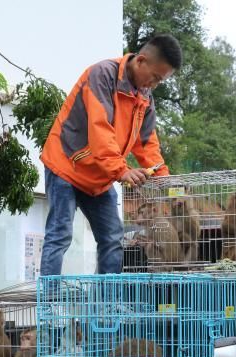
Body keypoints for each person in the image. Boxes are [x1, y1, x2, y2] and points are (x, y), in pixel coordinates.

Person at [39, 34, 182, 275]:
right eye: (155, 77)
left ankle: (107, 306)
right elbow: (100, 128)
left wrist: (165, 180)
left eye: (161, 81)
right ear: (141, 61)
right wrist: (121, 170)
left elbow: (147, 144)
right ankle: (49, 303)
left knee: (113, 238)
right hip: (66, 165)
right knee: (60, 234)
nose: (155, 84)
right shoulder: (102, 75)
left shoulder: (145, 96)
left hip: (100, 175)